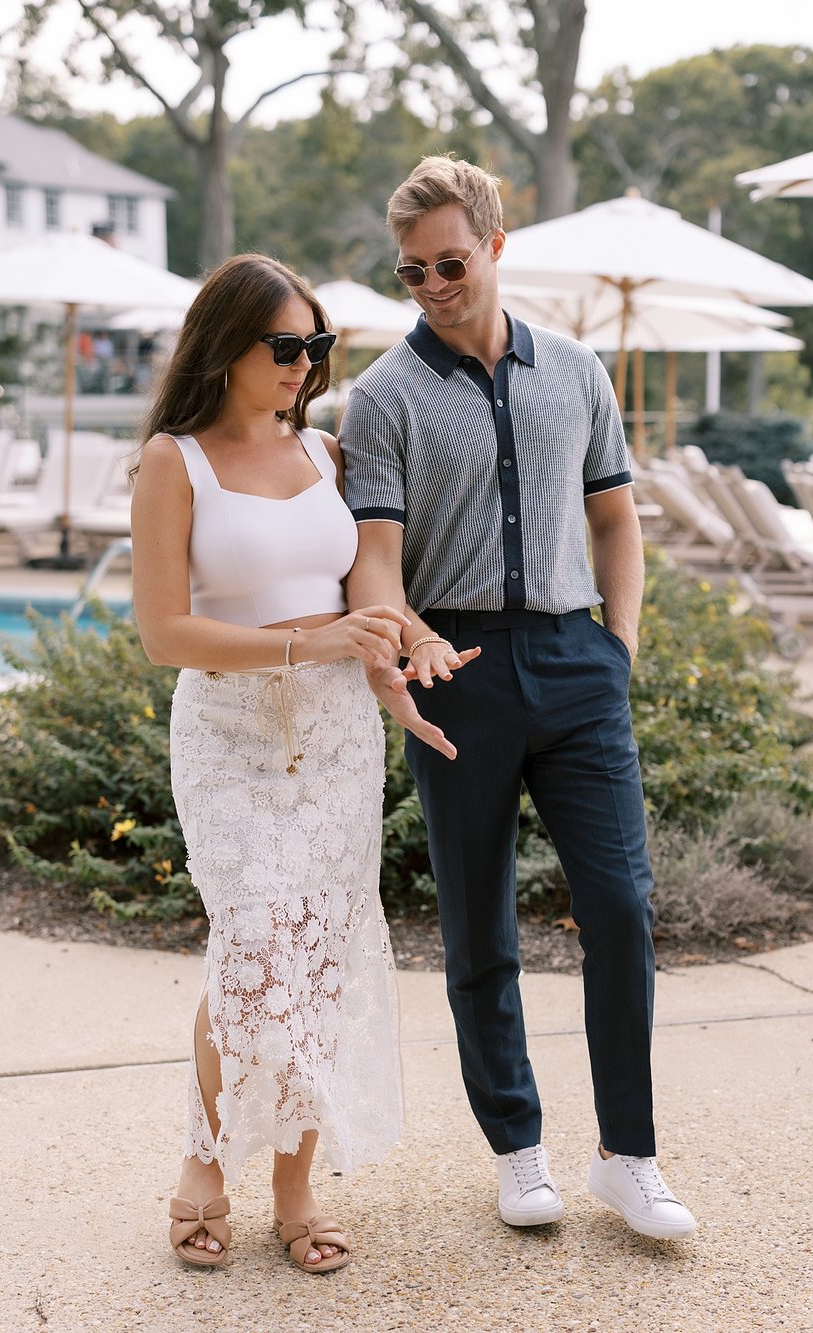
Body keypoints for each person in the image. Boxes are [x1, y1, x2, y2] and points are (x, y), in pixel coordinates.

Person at [340, 157, 697, 1242]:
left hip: (576, 661)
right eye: (412, 273)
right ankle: (518, 1148)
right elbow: (375, 564)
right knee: (478, 926)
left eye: (451, 263)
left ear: (496, 246)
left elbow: (616, 520)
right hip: (457, 671)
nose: (435, 285)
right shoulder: (380, 398)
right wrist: (410, 644)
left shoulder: (579, 373)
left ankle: (627, 1156)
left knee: (623, 910)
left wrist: (618, 649)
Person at [131, 252, 464, 1272]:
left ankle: (292, 1184)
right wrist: (306, 644)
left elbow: (363, 596)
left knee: (314, 961)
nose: (305, 363)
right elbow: (163, 632)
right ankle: (203, 1163)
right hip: (227, 736)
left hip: (334, 741)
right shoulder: (172, 460)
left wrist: (395, 664)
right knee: (252, 944)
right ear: (226, 345)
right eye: (287, 345)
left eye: (317, 346)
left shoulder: (324, 454)